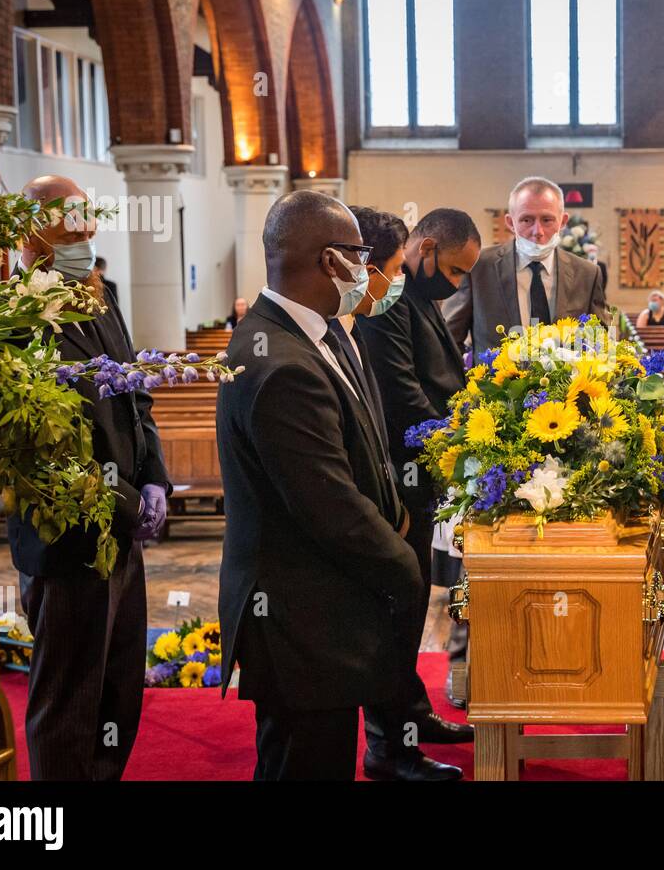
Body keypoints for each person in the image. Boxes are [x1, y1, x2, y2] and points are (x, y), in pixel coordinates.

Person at [216, 190, 424, 781]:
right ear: (331, 262)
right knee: (304, 765)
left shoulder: (318, 334)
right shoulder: (279, 359)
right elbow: (328, 504)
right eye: (360, 254)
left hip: (320, 608)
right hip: (296, 616)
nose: (371, 269)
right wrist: (405, 568)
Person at [6, 174, 170, 780]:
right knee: (69, 698)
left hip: (121, 531)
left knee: (118, 688)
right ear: (30, 232)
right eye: (69, 219)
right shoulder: (16, 318)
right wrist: (129, 502)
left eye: (87, 216)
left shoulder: (104, 300)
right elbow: (43, 447)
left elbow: (136, 400)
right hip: (69, 539)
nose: (88, 229)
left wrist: (154, 478)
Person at [348, 207, 477, 778]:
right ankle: (389, 748)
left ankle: (412, 713)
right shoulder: (390, 303)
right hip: (400, 475)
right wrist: (460, 451)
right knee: (394, 611)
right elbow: (403, 397)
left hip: (418, 476)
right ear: (424, 248)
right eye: (451, 271)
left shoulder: (419, 299)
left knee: (413, 601)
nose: (456, 284)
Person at [444, 176, 607, 357]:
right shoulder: (479, 267)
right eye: (526, 220)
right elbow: (448, 339)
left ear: (562, 222)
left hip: (567, 384)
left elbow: (599, 343)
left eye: (547, 220)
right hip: (493, 382)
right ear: (510, 222)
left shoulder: (587, 274)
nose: (537, 231)